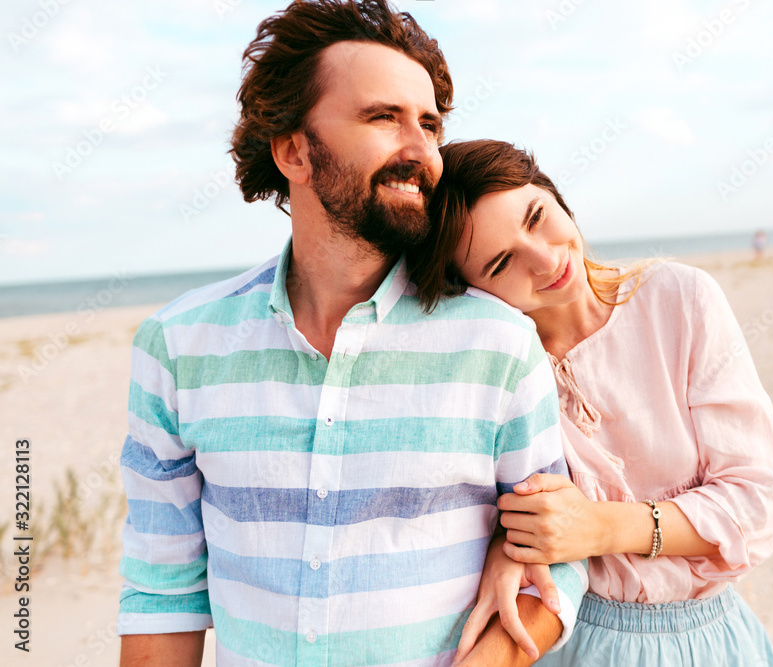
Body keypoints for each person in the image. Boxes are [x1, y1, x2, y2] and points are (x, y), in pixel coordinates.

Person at [116, 4, 587, 666]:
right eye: (382, 117)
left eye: (429, 124)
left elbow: (557, 565)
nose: (423, 149)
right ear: (293, 150)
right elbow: (163, 592)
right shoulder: (177, 346)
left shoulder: (501, 346)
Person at [408, 140, 773, 666]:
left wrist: (599, 526)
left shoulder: (681, 298)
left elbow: (757, 504)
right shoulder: (498, 375)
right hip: (573, 644)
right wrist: (509, 545)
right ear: (472, 292)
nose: (545, 259)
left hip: (710, 638)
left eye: (537, 217)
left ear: (555, 195)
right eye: (501, 263)